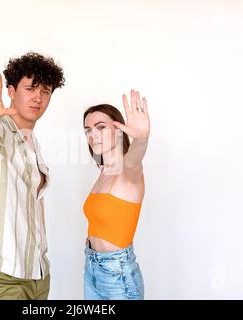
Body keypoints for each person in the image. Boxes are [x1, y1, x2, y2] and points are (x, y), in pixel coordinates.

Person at [0, 52, 65, 300]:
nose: (38, 98)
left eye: (46, 91)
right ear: (11, 91)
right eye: (30, 88)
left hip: (36, 274)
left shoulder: (32, 143)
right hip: (0, 275)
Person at [82, 90, 150, 300]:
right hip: (92, 267)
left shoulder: (128, 171)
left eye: (101, 127)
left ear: (119, 130)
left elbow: (135, 158)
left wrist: (141, 139)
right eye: (88, 130)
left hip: (118, 275)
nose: (93, 134)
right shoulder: (103, 172)